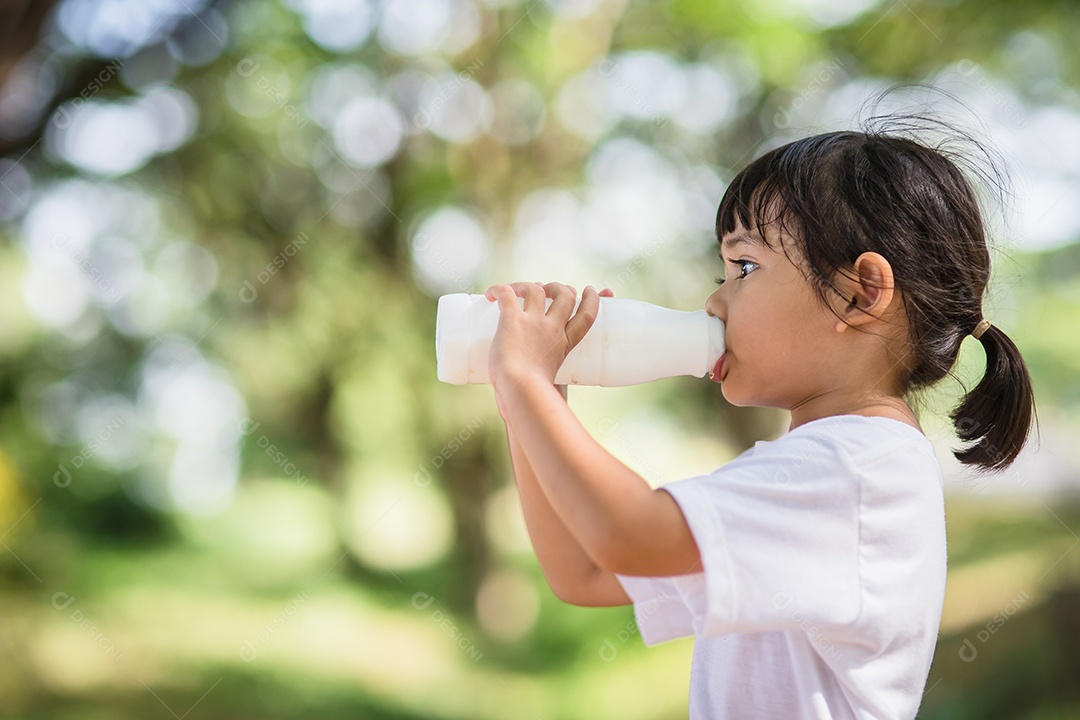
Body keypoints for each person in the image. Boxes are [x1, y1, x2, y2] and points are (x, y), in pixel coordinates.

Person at [483, 123, 1038, 719]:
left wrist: (528, 381)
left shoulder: (856, 468)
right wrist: (530, 403)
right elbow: (585, 573)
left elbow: (629, 535)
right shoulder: (828, 465)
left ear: (859, 293)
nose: (715, 302)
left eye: (743, 268)